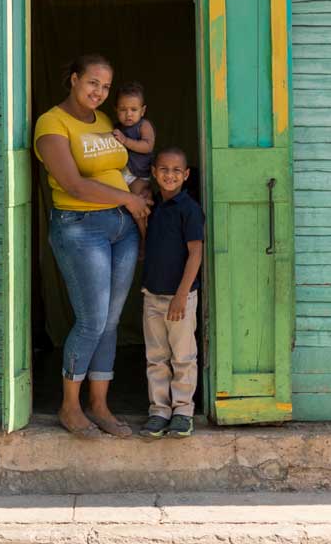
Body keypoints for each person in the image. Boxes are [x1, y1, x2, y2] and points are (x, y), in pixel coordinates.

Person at [34, 54, 152, 438]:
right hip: (81, 228)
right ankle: (70, 407)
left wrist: (142, 194)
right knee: (91, 321)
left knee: (112, 322)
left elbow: (118, 172)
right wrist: (129, 201)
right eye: (92, 83)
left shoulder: (104, 122)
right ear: (73, 80)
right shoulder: (52, 124)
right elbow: (74, 184)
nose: (99, 92)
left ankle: (99, 405)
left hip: (122, 227)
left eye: (105, 86)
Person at [138, 146, 204, 439]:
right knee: (156, 356)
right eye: (163, 169)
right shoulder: (153, 208)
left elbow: (195, 254)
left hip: (181, 298)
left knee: (183, 356)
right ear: (153, 172)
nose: (170, 175)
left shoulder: (189, 210)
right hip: (152, 295)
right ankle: (159, 410)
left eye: (177, 170)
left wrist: (181, 295)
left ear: (186, 175)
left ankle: (182, 411)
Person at [111, 81, 156, 248]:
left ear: (142, 110)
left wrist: (125, 140)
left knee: (139, 210)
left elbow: (147, 146)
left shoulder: (144, 125)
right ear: (115, 109)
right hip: (122, 173)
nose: (128, 114)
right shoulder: (116, 128)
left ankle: (144, 240)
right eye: (123, 110)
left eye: (134, 110)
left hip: (138, 175)